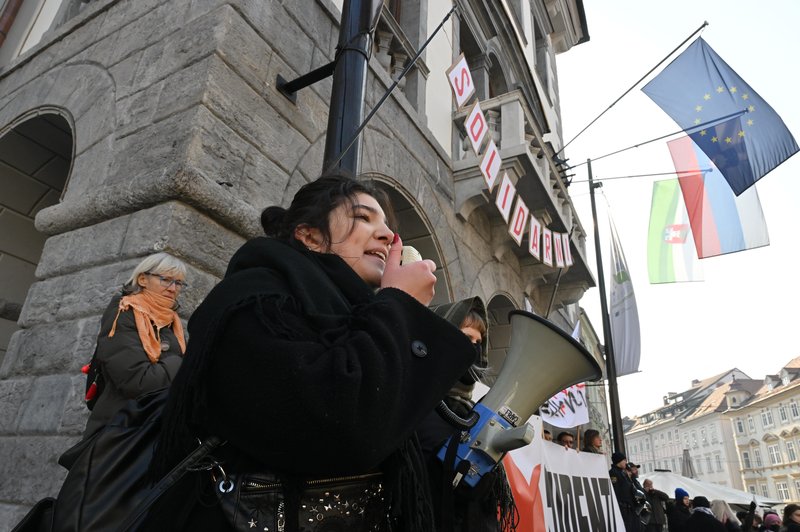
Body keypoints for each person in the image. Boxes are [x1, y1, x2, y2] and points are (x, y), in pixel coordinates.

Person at [146, 175, 478, 532]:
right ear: (310, 237)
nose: (387, 235)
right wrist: (399, 306)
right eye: (364, 218)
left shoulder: (362, 318)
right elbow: (342, 423)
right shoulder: (254, 301)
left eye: (387, 227)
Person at [417, 297, 516, 531]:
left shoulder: (471, 411)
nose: (473, 347)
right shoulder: (418, 404)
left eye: (478, 341)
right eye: (465, 336)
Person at [83, 252, 188, 437]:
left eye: (178, 283)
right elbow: (138, 381)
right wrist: (185, 361)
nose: (173, 289)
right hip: (121, 432)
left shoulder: (169, 321)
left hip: (150, 428)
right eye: (166, 280)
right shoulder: (125, 313)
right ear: (142, 279)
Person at [610, 451, 642, 531]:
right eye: (624, 460)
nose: (626, 462)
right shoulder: (613, 473)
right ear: (619, 461)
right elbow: (616, 491)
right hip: (623, 508)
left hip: (629, 508)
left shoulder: (623, 472)